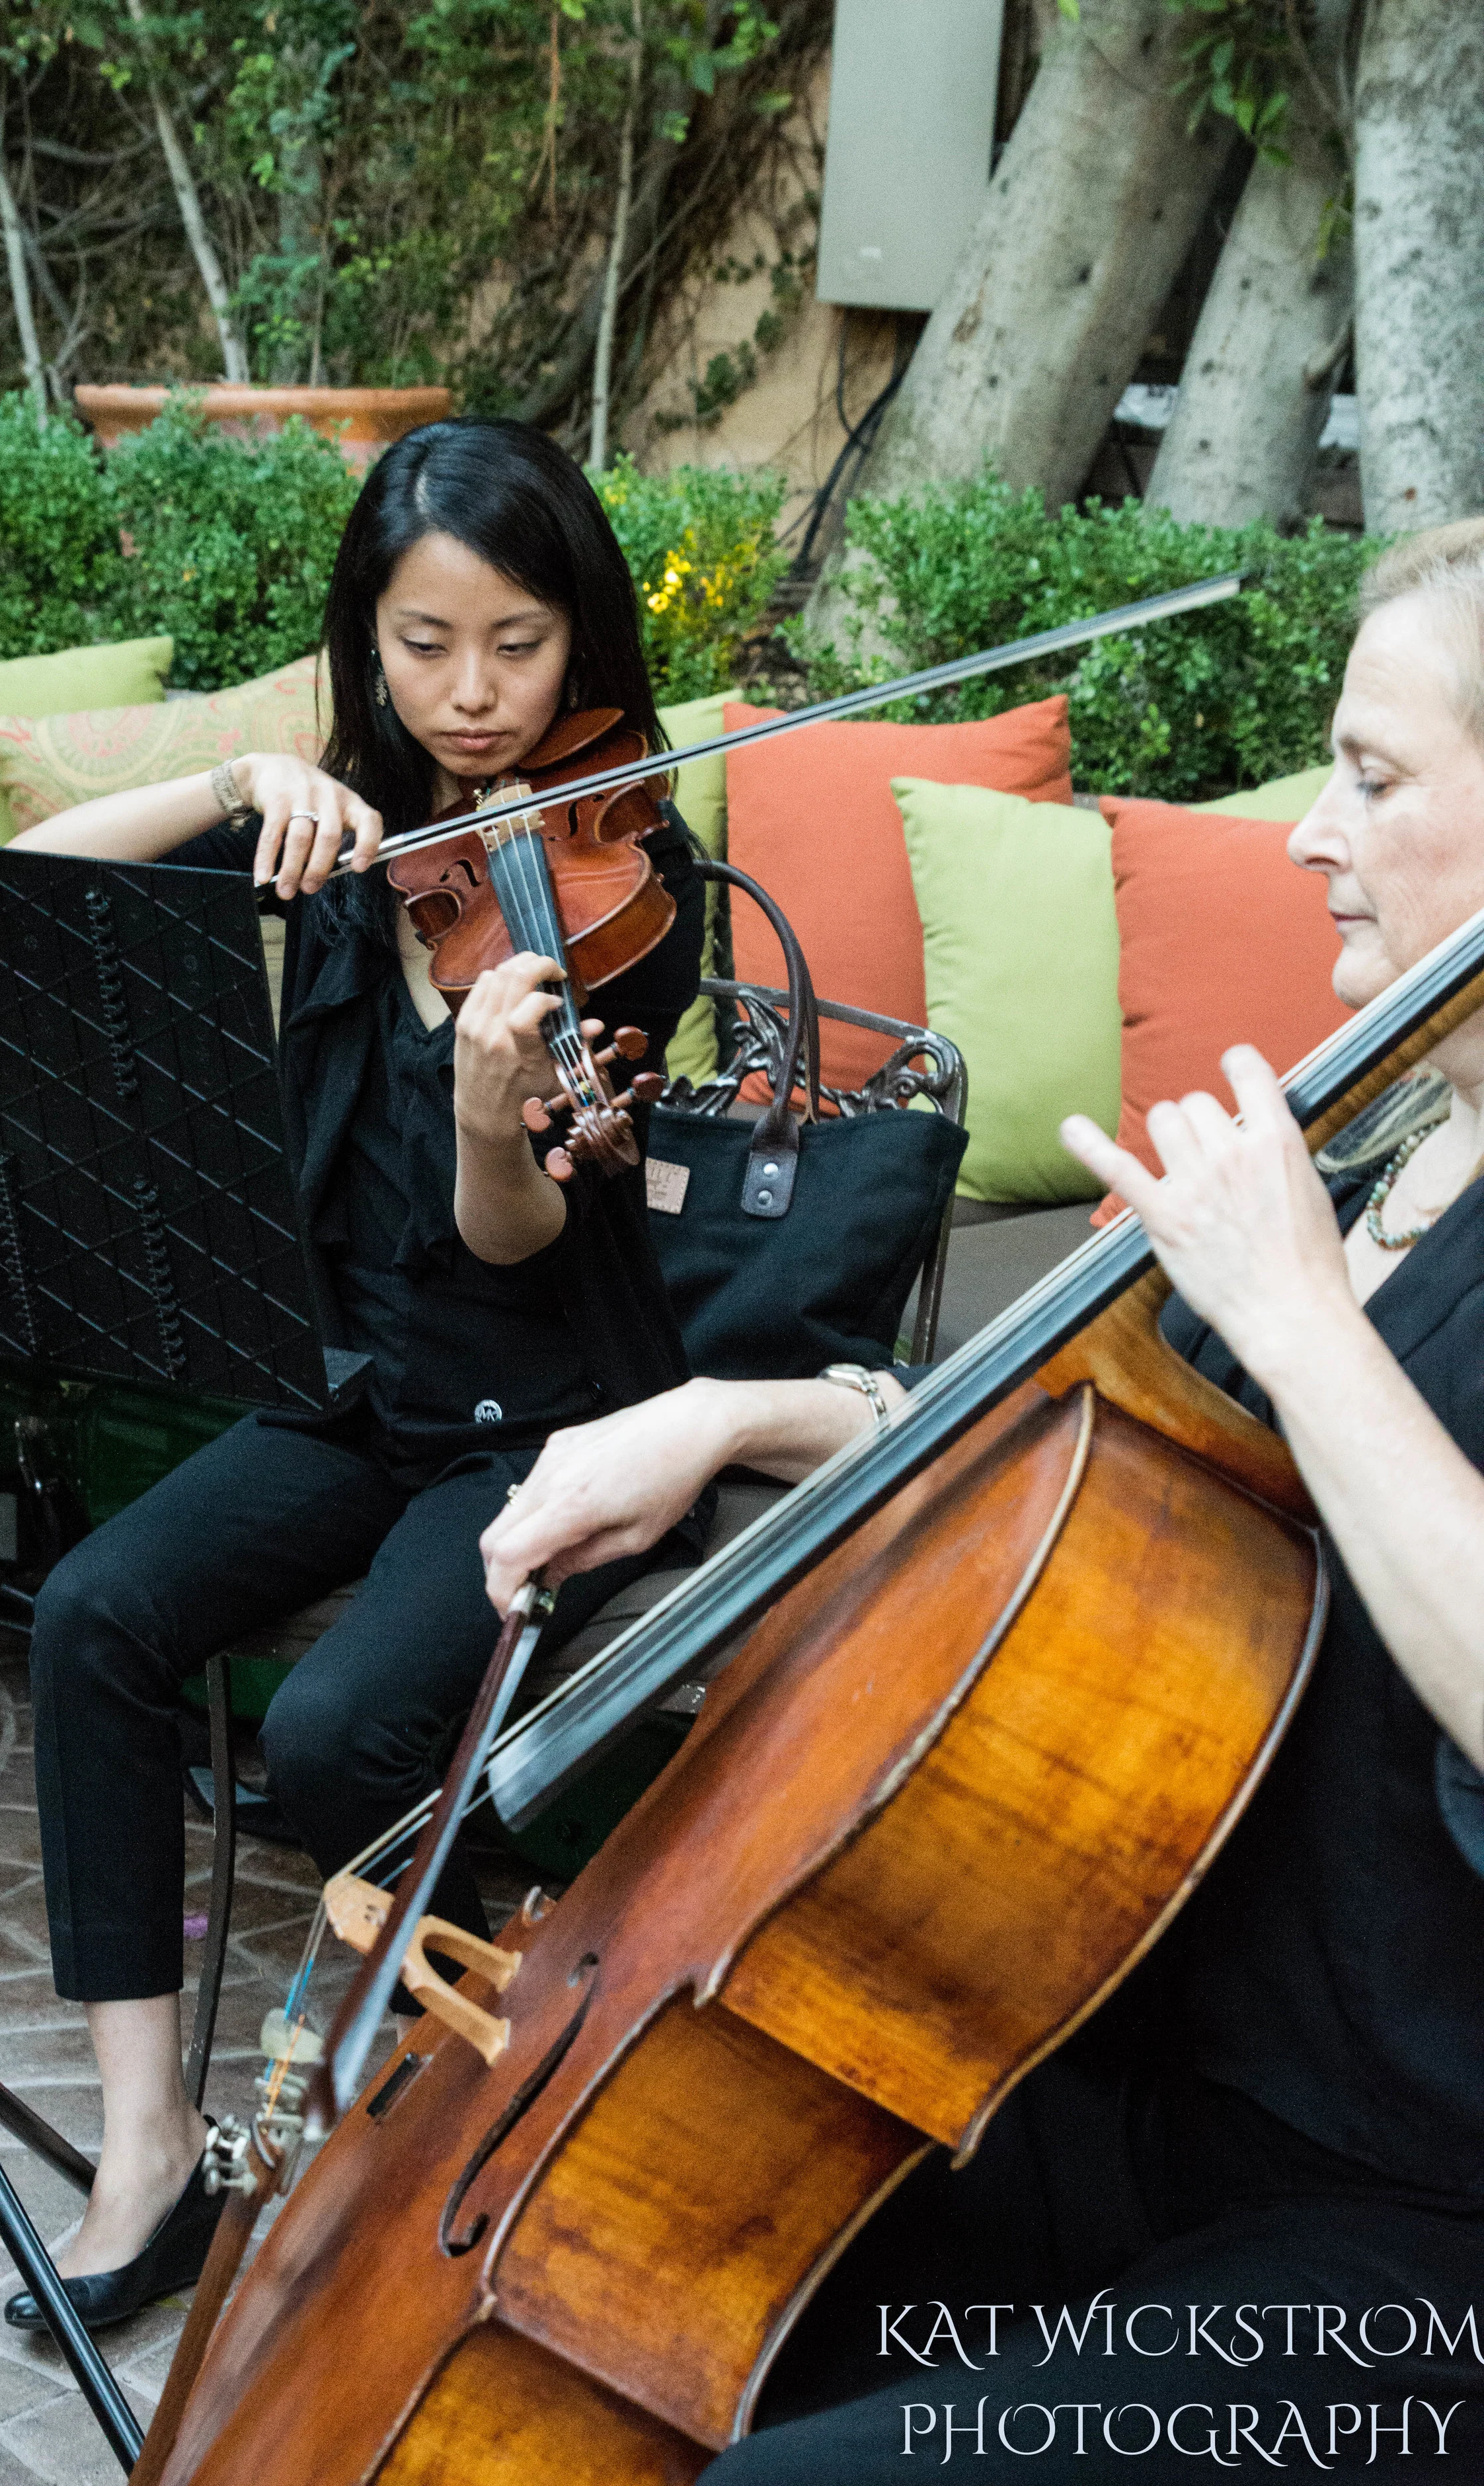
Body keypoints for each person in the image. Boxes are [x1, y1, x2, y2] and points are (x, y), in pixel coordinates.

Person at [478, 521, 1484, 2479]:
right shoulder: (1388, 1146)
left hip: (1403, 2225)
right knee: (625, 2278)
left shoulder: (1329, 1232)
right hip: (1136, 2075)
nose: (1304, 830)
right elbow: (1093, 1463)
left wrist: (1297, 1317)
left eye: (1367, 778)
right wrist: (735, 1413)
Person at [1, 418, 705, 2329]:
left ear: (584, 648)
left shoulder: (626, 881)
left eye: (518, 646)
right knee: (93, 1615)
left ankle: (473, 2120)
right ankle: (151, 2154)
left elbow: (515, 1241)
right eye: (424, 645)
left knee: (334, 1738)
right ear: (366, 643)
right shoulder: (330, 829)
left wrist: (496, 1116)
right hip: (343, 1385)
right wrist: (234, 775)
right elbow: (24, 887)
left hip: (544, 1411)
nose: (472, 697)